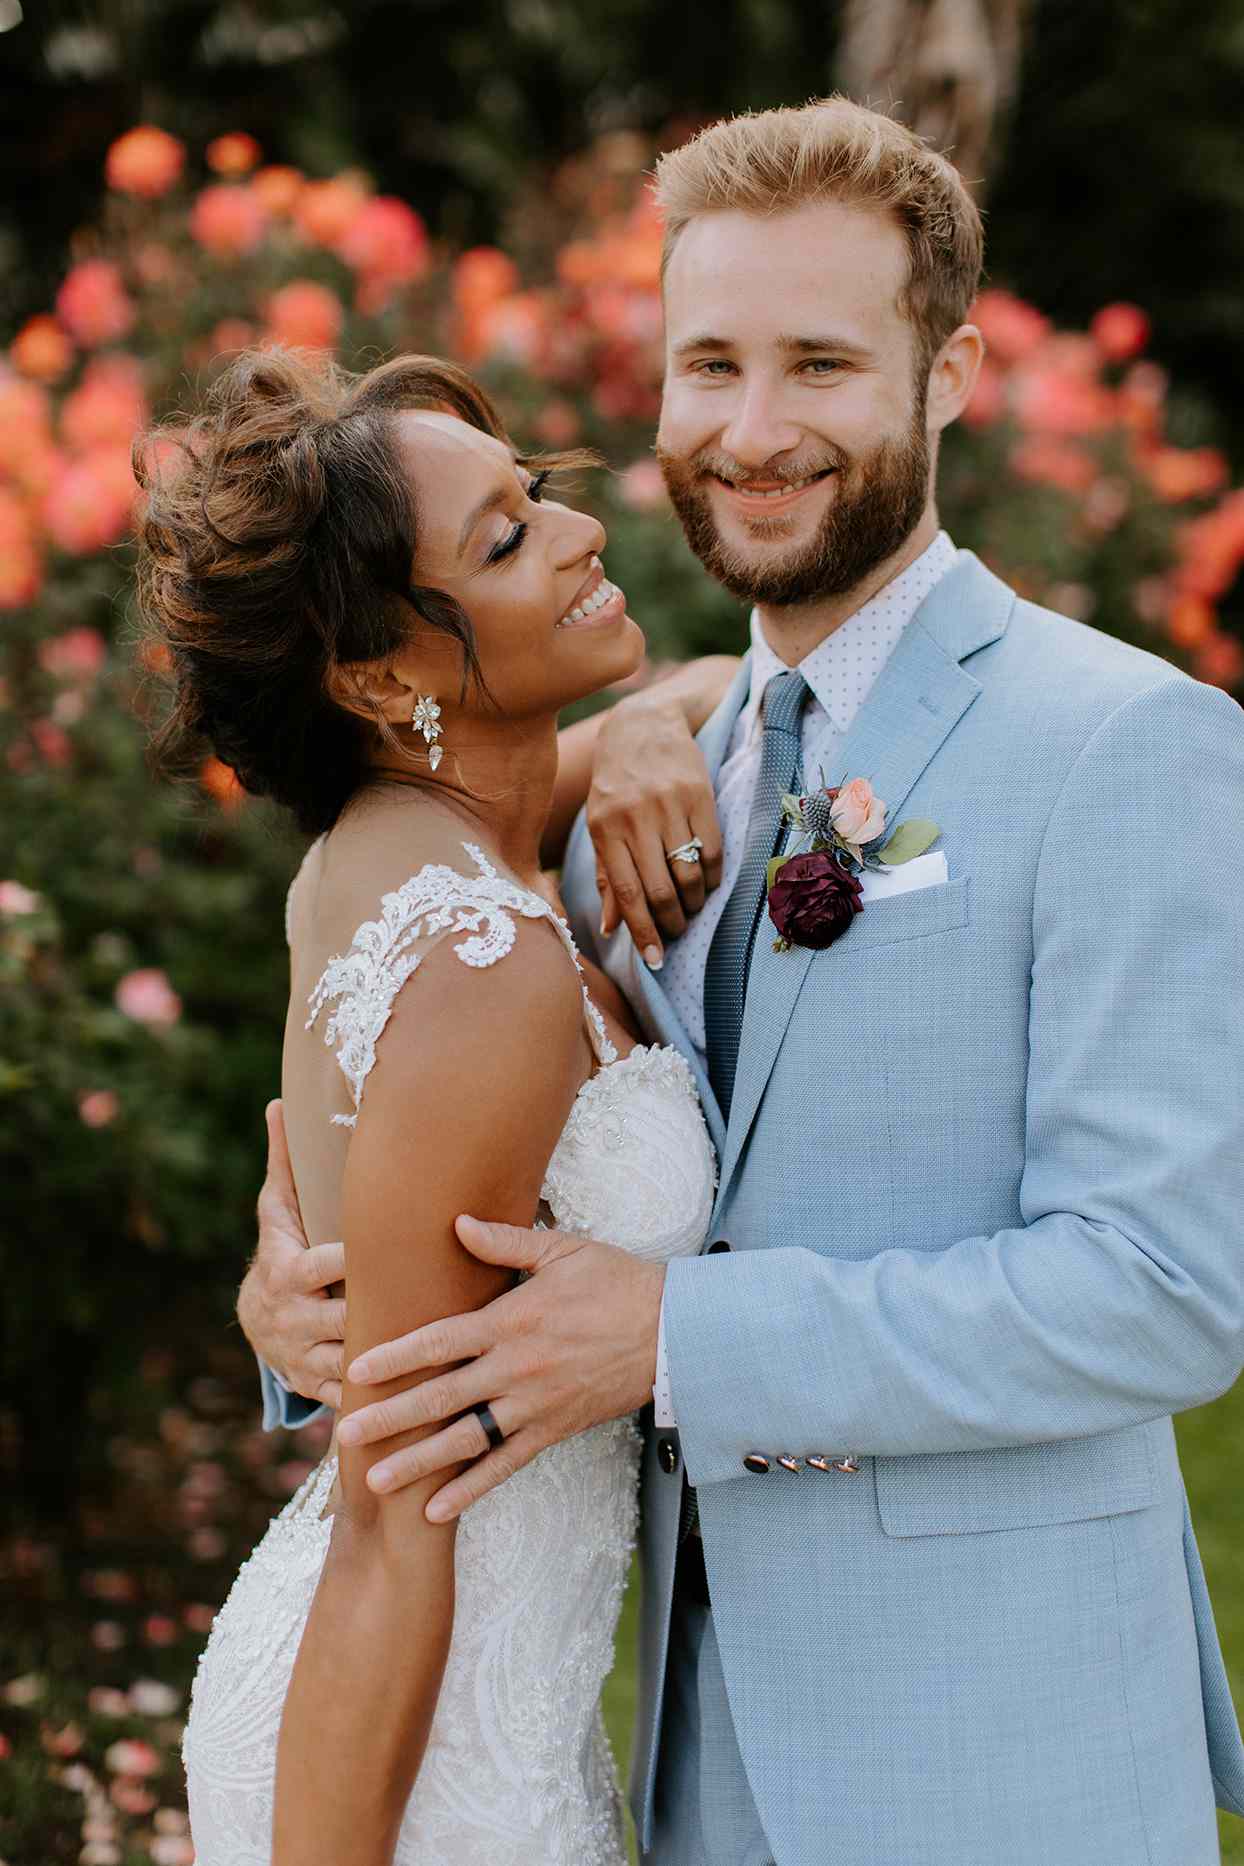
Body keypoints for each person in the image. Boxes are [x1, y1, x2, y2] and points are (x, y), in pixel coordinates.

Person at [244, 98, 1244, 1866]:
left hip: (1007, 1771)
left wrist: (676, 1335)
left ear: (949, 374)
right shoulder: (653, 776)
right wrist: (301, 1308)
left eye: (821, 365)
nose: (755, 431)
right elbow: (429, 1103)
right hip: (693, 1778)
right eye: (710, 364)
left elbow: (1164, 1288)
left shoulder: (1127, 744)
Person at [138, 344, 739, 1864]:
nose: (579, 527)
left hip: (468, 1694)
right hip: (422, 1740)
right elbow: (393, 1516)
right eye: (505, 539)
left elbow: (717, 692)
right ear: (383, 673)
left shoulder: (394, 840)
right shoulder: (487, 963)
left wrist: (659, 719)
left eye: (532, 494)